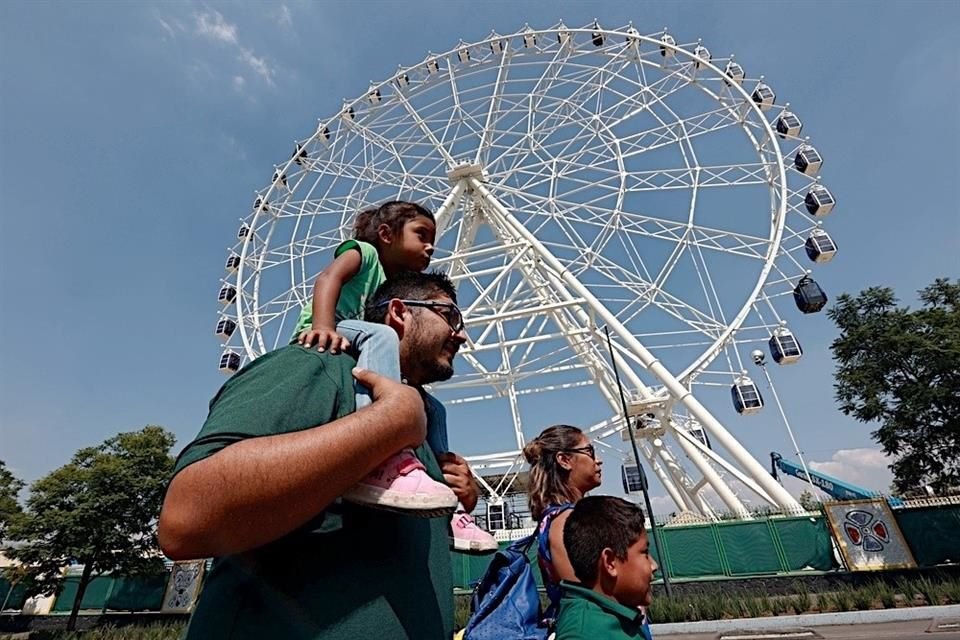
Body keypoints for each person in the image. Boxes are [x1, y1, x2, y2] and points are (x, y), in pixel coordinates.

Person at [159, 271, 474, 639]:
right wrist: (386, 423)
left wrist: (458, 492)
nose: (462, 334)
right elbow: (186, 519)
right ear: (400, 312)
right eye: (449, 315)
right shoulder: (319, 366)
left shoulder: (420, 421)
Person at [292, 200, 495, 551]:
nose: (431, 246)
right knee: (382, 335)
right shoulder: (364, 254)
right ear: (386, 234)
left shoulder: (390, 285)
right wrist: (322, 326)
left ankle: (445, 497)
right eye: (421, 235)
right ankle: (381, 448)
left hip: (357, 338)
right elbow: (329, 277)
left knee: (433, 408)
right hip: (332, 330)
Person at [522, 424, 603, 616]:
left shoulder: (555, 519)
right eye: (589, 451)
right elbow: (584, 599)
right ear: (565, 460)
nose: (598, 461)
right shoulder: (567, 521)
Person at [555, 496, 657, 640]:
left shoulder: (617, 617)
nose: (654, 566)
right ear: (610, 562)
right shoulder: (581, 634)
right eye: (645, 553)